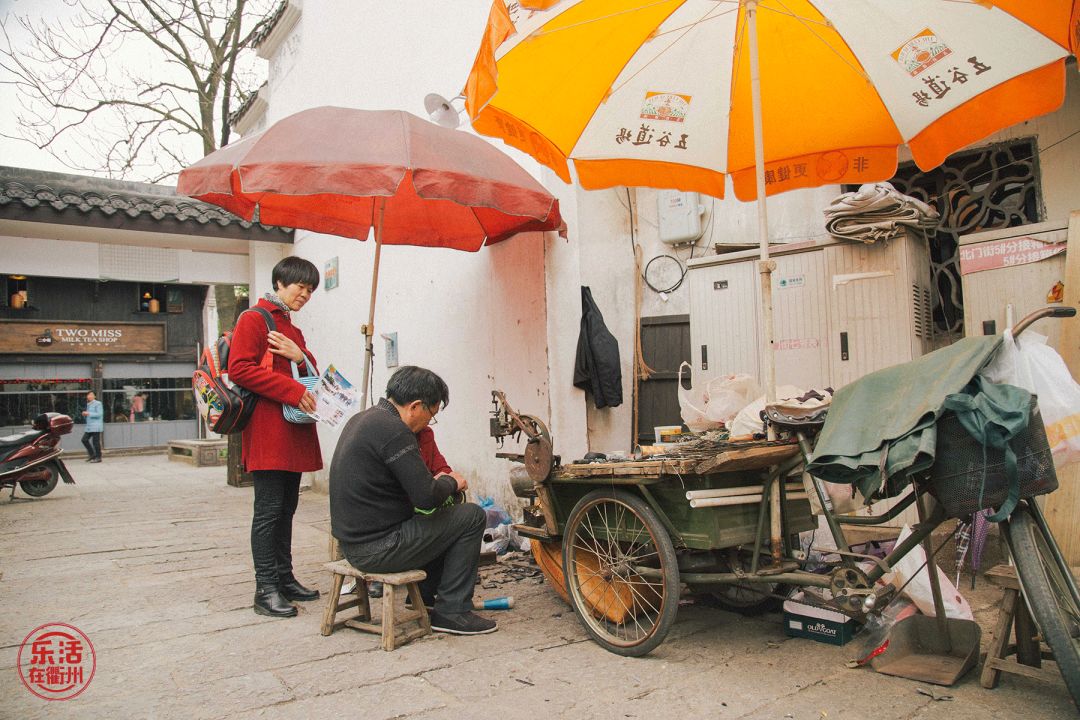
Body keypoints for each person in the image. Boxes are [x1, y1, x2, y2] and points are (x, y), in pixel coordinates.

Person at [329, 366, 496, 635]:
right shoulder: (394, 430)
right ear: (416, 406)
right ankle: (452, 611)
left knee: (440, 518)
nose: (429, 422)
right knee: (471, 516)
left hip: (353, 544)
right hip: (377, 549)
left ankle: (428, 597)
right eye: (432, 415)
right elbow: (427, 497)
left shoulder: (364, 419)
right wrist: (452, 480)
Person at [228, 257, 323, 618]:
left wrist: (302, 354)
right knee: (268, 511)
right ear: (280, 282)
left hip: (293, 428)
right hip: (269, 429)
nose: (305, 293)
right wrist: (290, 390)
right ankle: (265, 588)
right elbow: (240, 368)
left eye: (311, 289)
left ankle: (284, 578)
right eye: (300, 285)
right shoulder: (254, 318)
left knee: (287, 508)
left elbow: (305, 364)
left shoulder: (289, 325)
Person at [81, 391, 103, 463]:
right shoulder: (88, 404)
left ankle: (98, 457)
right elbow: (89, 415)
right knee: (84, 440)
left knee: (95, 442)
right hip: (89, 426)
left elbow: (99, 414)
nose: (89, 396)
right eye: (88, 395)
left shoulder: (98, 403)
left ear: (94, 396)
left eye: (91, 395)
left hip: (96, 426)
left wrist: (88, 413)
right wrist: (85, 414)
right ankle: (92, 455)